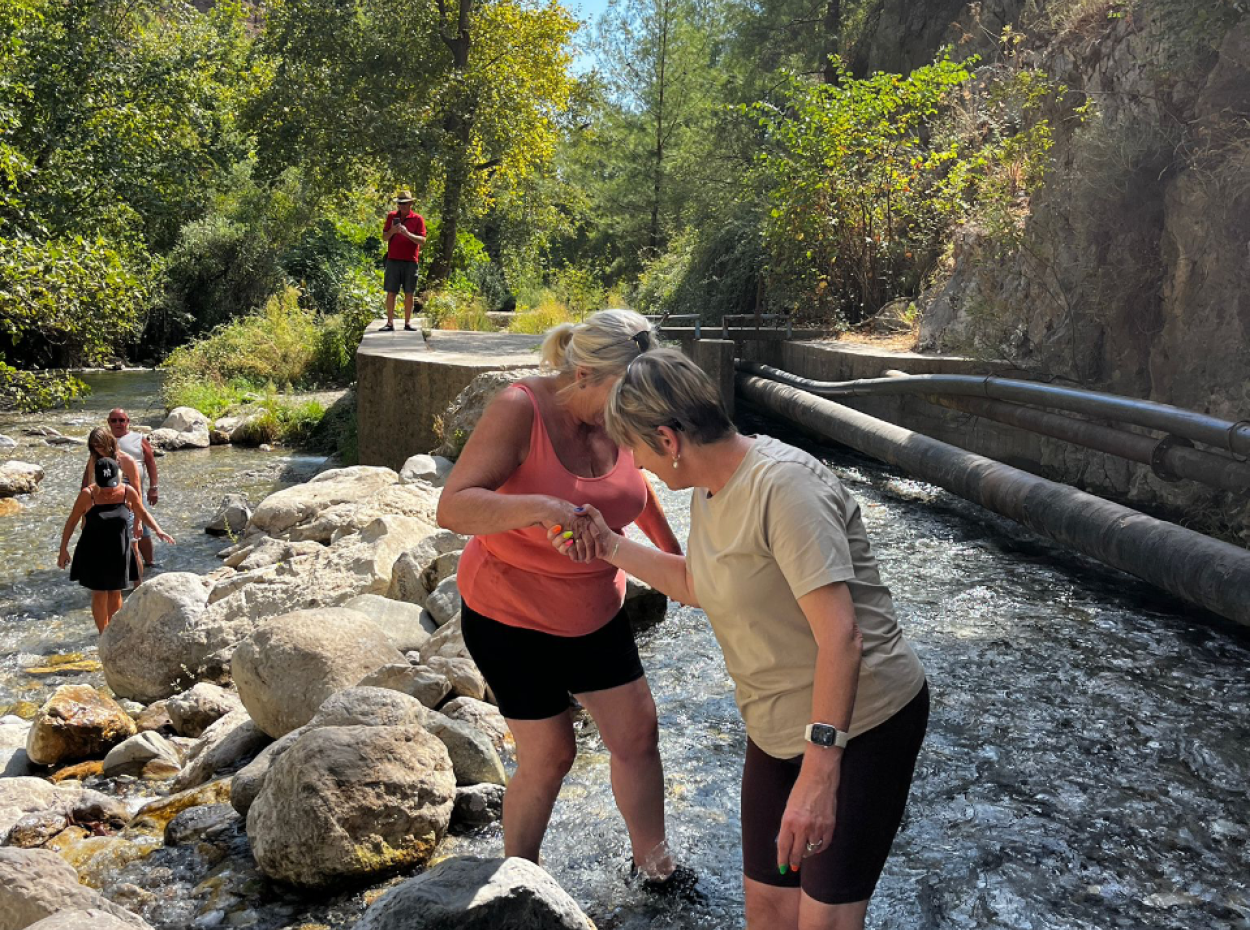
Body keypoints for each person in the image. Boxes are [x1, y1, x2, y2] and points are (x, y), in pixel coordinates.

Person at [552, 349, 929, 930]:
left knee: (821, 921)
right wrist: (608, 545)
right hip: (776, 726)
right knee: (769, 911)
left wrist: (819, 775)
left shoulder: (785, 488)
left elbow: (843, 637)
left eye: (639, 451)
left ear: (668, 439)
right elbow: (698, 583)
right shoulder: (710, 486)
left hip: (862, 724)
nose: (640, 466)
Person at [436, 309, 689, 885]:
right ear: (583, 377)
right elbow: (452, 506)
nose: (640, 415)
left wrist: (674, 555)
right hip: (509, 615)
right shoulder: (519, 408)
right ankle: (519, 879)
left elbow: (633, 483)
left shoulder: (626, 409)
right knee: (552, 754)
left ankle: (655, 869)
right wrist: (542, 508)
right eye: (627, 396)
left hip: (595, 609)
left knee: (637, 734)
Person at [58, 458, 175, 632]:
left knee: (115, 592)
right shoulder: (87, 495)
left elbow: (141, 512)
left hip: (119, 549)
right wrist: (63, 550)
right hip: (93, 550)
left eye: (112, 484)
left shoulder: (128, 492)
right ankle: (102, 634)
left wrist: (158, 530)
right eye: (104, 485)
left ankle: (114, 632)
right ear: (96, 479)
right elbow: (72, 521)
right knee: (99, 593)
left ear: (119, 476)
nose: (108, 490)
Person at [82, 426, 145, 583]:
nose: (98, 450)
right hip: (100, 513)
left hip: (125, 511)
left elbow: (137, 493)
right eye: (94, 447)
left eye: (101, 446)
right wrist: (85, 517)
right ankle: (108, 586)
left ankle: (138, 587)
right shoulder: (94, 461)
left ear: (109, 443)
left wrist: (138, 520)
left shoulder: (127, 461)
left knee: (132, 550)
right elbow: (90, 488)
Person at [108, 408, 159, 567]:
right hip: (111, 492)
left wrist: (154, 487)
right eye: (114, 420)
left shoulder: (138, 438)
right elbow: (91, 467)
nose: (118, 423)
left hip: (136, 490)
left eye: (122, 420)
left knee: (142, 525)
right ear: (109, 422)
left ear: (127, 422)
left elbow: (150, 463)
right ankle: (122, 563)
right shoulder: (104, 440)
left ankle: (150, 563)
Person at [381, 190, 427, 332]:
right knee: (391, 292)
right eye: (400, 203)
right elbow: (384, 237)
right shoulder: (391, 217)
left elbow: (422, 240)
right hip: (393, 260)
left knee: (409, 293)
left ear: (411, 203)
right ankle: (389, 323)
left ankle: (407, 323)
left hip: (410, 261)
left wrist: (407, 234)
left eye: (405, 203)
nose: (402, 206)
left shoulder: (418, 219)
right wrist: (393, 231)